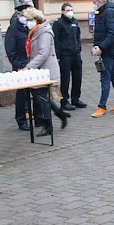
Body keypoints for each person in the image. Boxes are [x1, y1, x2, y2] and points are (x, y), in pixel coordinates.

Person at [22, 7, 70, 136]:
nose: (27, 22)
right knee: (42, 97)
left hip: (46, 70)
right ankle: (60, 114)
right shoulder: (36, 31)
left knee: (42, 98)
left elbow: (43, 53)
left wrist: (29, 67)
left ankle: (48, 126)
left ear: (35, 20)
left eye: (28, 20)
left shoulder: (44, 32)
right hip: (40, 70)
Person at [5, 0, 34, 131]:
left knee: (35, 92)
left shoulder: (31, 26)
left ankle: (37, 116)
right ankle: (21, 120)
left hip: (33, 64)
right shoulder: (14, 28)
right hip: (21, 65)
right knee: (22, 93)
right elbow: (11, 51)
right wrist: (19, 64)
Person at [51, 2, 86, 110]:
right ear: (62, 11)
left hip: (76, 54)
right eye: (67, 10)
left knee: (77, 77)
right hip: (65, 55)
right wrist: (57, 55)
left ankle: (75, 99)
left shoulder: (74, 22)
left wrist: (79, 48)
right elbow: (56, 40)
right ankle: (64, 101)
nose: (70, 12)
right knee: (65, 79)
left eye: (71, 10)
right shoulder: (58, 23)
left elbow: (78, 36)